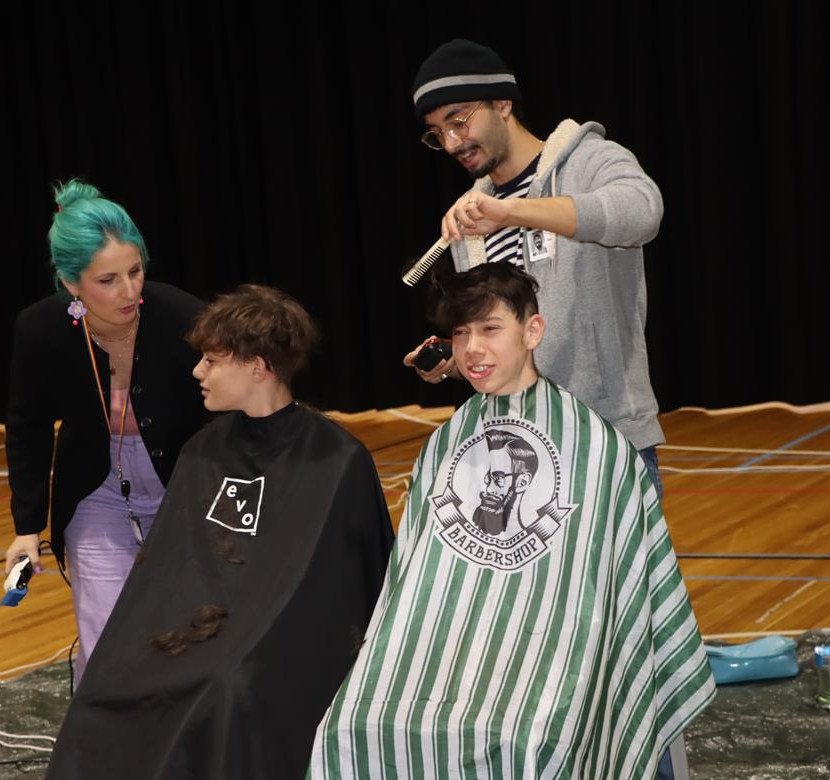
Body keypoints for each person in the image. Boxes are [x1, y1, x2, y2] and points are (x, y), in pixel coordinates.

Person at [311, 263, 714, 779]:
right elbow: (410, 580)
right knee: (349, 726)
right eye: (460, 333)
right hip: (448, 653)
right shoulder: (445, 445)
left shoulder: (595, 447)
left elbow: (619, 597)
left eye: (490, 329)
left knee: (528, 742)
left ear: (533, 332)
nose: (472, 348)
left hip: (550, 662)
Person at [46, 285, 395, 779]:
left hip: (284, 645)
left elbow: (346, 590)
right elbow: (170, 570)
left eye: (211, 361)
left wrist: (245, 637)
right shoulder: (203, 452)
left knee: (225, 686)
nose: (197, 372)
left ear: (257, 367)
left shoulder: (337, 461)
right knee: (106, 680)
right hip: (203, 628)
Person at [403, 38, 665, 492]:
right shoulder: (470, 213)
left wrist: (515, 212)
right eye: (437, 133)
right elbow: (514, 333)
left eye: (458, 121)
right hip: (521, 447)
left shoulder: (589, 160)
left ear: (503, 103)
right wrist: (461, 356)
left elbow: (642, 212)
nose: (451, 142)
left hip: (608, 436)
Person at [2, 179, 207, 686]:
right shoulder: (40, 329)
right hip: (95, 490)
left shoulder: (183, 315)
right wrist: (26, 527)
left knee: (194, 629)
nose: (130, 292)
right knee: (106, 641)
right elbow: (26, 428)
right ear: (72, 284)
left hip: (181, 482)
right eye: (107, 280)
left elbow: (223, 414)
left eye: (135, 272)